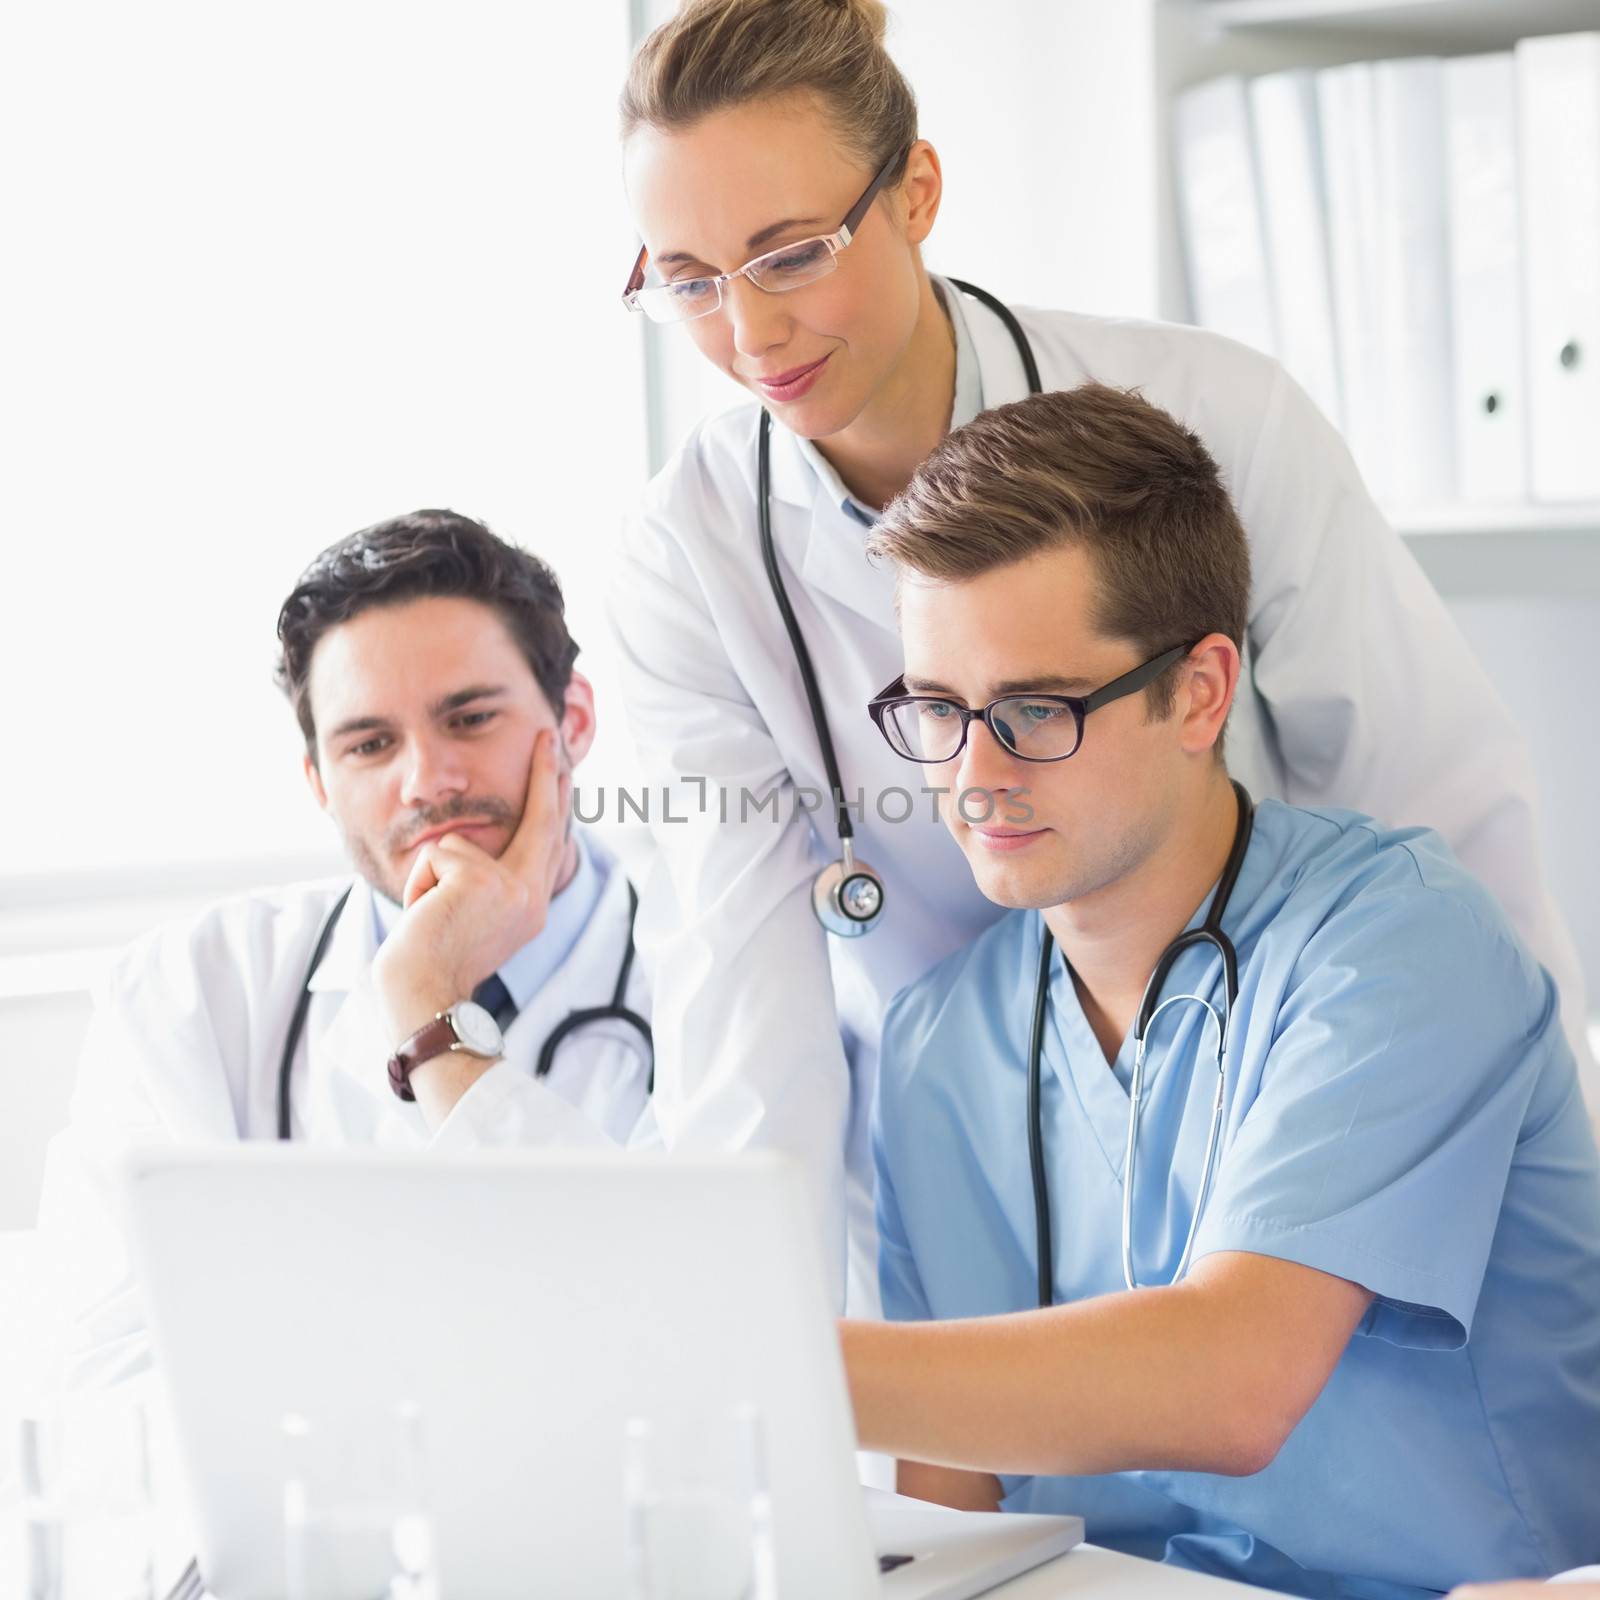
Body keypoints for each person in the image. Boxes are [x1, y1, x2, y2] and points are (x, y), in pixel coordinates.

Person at [606, 0, 1592, 1307]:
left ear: (916, 191)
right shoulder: (691, 556)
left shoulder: (1215, 419)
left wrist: (1537, 1204)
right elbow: (741, 1015)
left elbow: (1447, 818)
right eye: (685, 279)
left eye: (789, 255)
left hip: (1283, 1133)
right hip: (965, 1187)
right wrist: (760, 1373)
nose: (749, 334)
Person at [837, 383, 1600, 1597]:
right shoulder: (939, 1045)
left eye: (1034, 710)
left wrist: (751, 1362)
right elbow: (941, 1530)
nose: (973, 775)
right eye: (938, 709)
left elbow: (1231, 1382)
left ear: (1198, 690)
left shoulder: (1392, 944)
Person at [39, 510, 653, 1387]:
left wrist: (426, 1000)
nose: (426, 782)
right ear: (319, 782)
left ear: (576, 721)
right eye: (370, 744)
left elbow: (668, 1337)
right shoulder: (187, 995)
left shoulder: (712, 978)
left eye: (470, 719)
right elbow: (102, 1378)